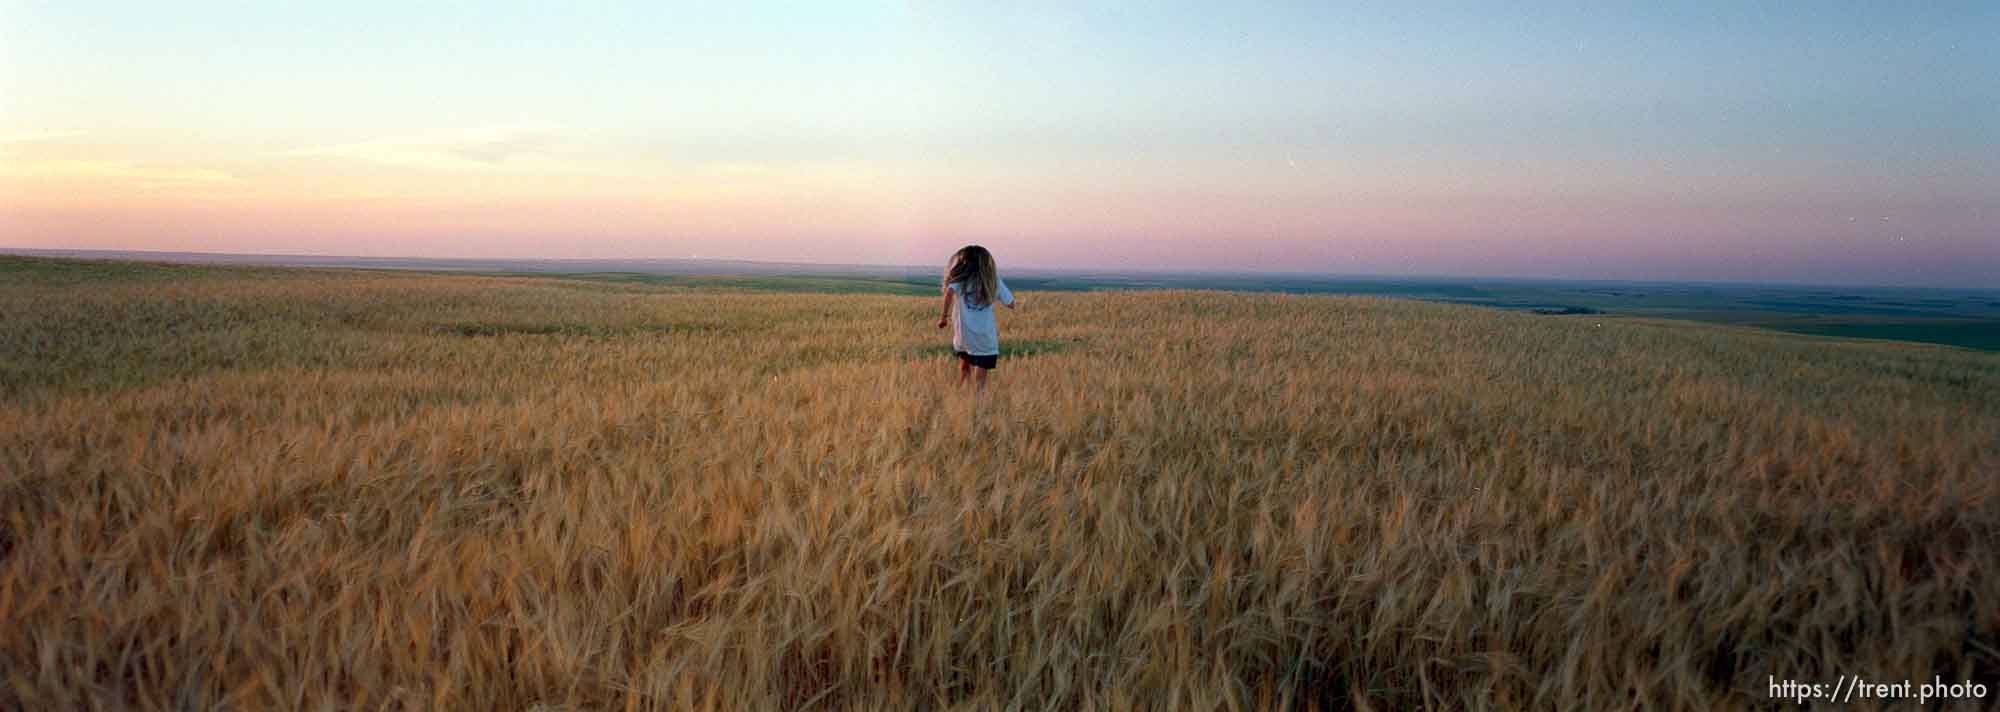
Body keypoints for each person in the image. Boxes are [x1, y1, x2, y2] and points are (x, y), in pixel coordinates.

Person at [936, 245, 1017, 391]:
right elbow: (1011, 303)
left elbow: (948, 293)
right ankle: (977, 401)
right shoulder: (993, 280)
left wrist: (944, 317)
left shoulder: (962, 279)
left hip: (964, 335)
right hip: (984, 335)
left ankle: (961, 394)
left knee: (964, 365)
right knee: (981, 371)